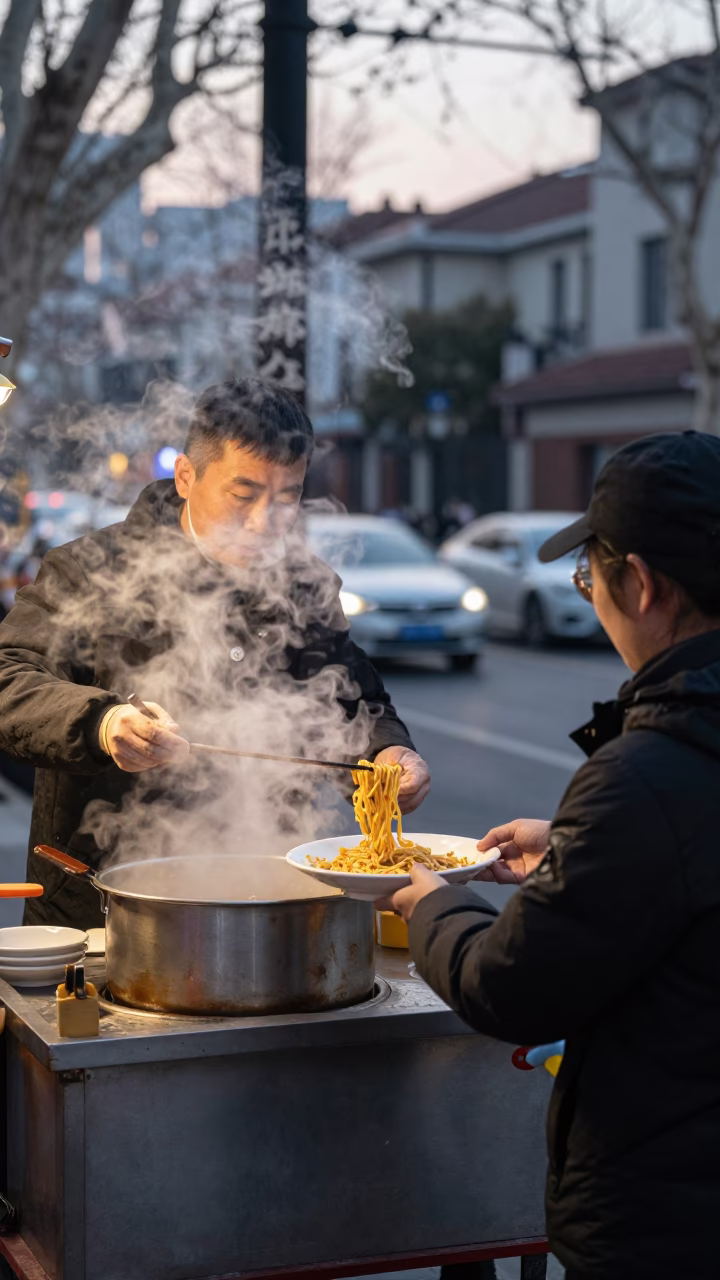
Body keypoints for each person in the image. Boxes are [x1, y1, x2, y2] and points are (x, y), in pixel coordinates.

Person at [382, 432, 720, 1280]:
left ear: (639, 584)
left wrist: (432, 902)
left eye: (589, 578)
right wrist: (578, 845)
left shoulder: (646, 776)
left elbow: (510, 986)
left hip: (669, 1223)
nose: (593, 599)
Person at [0, 378, 430, 927]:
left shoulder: (306, 586)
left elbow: (354, 698)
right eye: (243, 495)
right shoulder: (90, 570)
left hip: (268, 899)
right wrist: (103, 723)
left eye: (286, 498)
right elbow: (8, 678)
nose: (262, 523)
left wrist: (389, 753)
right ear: (186, 477)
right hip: (106, 910)